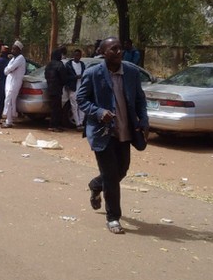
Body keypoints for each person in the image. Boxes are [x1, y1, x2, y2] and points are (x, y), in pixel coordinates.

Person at [77, 37, 149, 235]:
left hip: (125, 131)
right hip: (103, 133)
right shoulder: (93, 73)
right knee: (110, 176)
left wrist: (144, 121)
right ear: (103, 52)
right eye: (113, 49)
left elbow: (140, 100)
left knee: (122, 170)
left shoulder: (132, 72)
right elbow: (81, 99)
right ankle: (113, 218)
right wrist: (99, 112)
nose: (119, 52)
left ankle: (95, 185)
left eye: (120, 48)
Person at [1, 40, 27, 128]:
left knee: (9, 100)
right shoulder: (13, 59)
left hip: (15, 82)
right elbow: (6, 70)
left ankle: (9, 121)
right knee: (9, 100)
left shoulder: (20, 58)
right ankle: (10, 119)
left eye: (14, 49)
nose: (12, 51)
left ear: (19, 50)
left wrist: (9, 70)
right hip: (9, 82)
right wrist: (9, 70)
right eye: (12, 49)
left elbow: (10, 68)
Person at [44, 47, 69, 132]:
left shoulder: (49, 65)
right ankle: (54, 125)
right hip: (57, 89)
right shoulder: (60, 65)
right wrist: (64, 83)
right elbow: (64, 77)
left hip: (50, 88)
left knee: (54, 108)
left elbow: (46, 75)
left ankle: (55, 125)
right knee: (57, 108)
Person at [65, 48, 86, 130]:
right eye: (76, 55)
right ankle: (77, 124)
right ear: (73, 55)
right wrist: (75, 77)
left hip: (82, 88)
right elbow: (66, 77)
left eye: (79, 55)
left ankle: (81, 122)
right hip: (73, 88)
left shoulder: (82, 64)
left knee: (82, 106)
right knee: (74, 106)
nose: (77, 57)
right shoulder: (68, 65)